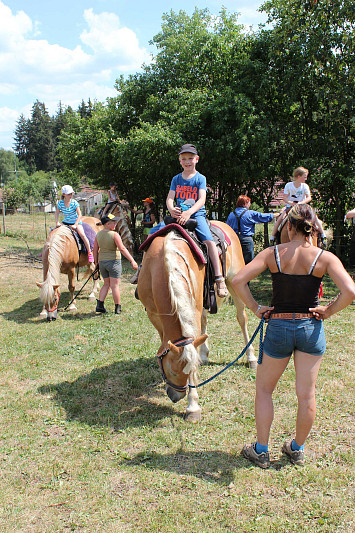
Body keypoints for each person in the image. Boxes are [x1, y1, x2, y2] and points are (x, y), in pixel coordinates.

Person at [231, 204, 355, 468]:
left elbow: (238, 280)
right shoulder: (325, 257)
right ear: (312, 227)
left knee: (264, 390)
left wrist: (255, 308)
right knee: (306, 394)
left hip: (277, 327)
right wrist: (328, 310)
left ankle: (261, 450)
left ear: (289, 226)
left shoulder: (272, 253)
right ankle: (296, 449)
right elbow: (350, 291)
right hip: (310, 328)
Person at [166, 143, 228, 298]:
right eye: (184, 159)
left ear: (197, 159)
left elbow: (201, 199)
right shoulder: (176, 179)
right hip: (178, 215)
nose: (187, 162)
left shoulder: (200, 178)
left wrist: (189, 212)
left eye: (190, 158)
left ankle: (219, 278)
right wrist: (171, 209)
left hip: (196, 215)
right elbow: (170, 198)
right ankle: (142, 270)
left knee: (209, 241)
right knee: (155, 233)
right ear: (179, 160)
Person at [93, 214, 138, 314]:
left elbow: (95, 250)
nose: (115, 224)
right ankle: (117, 308)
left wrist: (96, 263)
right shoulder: (114, 235)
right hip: (114, 262)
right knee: (115, 286)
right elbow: (122, 248)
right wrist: (132, 260)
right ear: (108, 224)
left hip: (102, 263)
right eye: (113, 222)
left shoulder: (98, 235)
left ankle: (100, 305)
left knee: (106, 284)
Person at [271, 167, 327, 246]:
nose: (306, 178)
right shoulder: (289, 185)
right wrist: (291, 203)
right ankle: (273, 237)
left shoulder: (305, 186)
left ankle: (323, 235)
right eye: (304, 177)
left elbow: (309, 197)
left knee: (316, 219)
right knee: (281, 219)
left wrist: (301, 203)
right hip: (291, 207)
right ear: (298, 176)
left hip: (303, 207)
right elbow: (285, 198)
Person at [226, 195, 280, 264]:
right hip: (247, 240)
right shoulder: (250, 213)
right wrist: (277, 214)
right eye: (249, 203)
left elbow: (227, 228)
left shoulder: (231, 214)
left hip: (234, 240)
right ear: (245, 203)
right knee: (248, 263)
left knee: (235, 262)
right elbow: (262, 216)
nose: (250, 204)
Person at [55, 185, 94, 263]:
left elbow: (80, 214)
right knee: (53, 232)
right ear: (64, 195)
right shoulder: (60, 203)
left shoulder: (74, 202)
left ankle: (89, 253)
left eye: (71, 193)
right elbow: (56, 213)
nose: (71, 195)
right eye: (69, 194)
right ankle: (48, 250)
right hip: (66, 221)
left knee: (82, 234)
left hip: (75, 222)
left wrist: (75, 225)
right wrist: (57, 222)